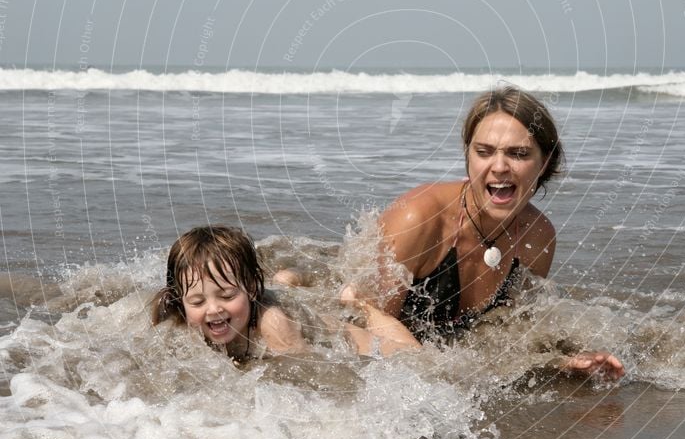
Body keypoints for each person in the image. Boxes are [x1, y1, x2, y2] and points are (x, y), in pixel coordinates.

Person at [357, 85, 624, 381]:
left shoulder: (537, 236)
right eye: (484, 152)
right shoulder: (419, 218)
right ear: (469, 157)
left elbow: (508, 334)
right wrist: (424, 366)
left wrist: (563, 362)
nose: (499, 167)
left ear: (545, 162)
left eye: (518, 154)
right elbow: (367, 314)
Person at [152, 225, 419, 362]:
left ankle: (360, 304)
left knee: (417, 356)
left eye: (227, 296)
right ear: (180, 299)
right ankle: (287, 280)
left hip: (348, 336)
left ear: (253, 288)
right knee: (288, 293)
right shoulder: (175, 315)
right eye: (198, 301)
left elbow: (307, 372)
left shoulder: (274, 324)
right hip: (296, 309)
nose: (213, 309)